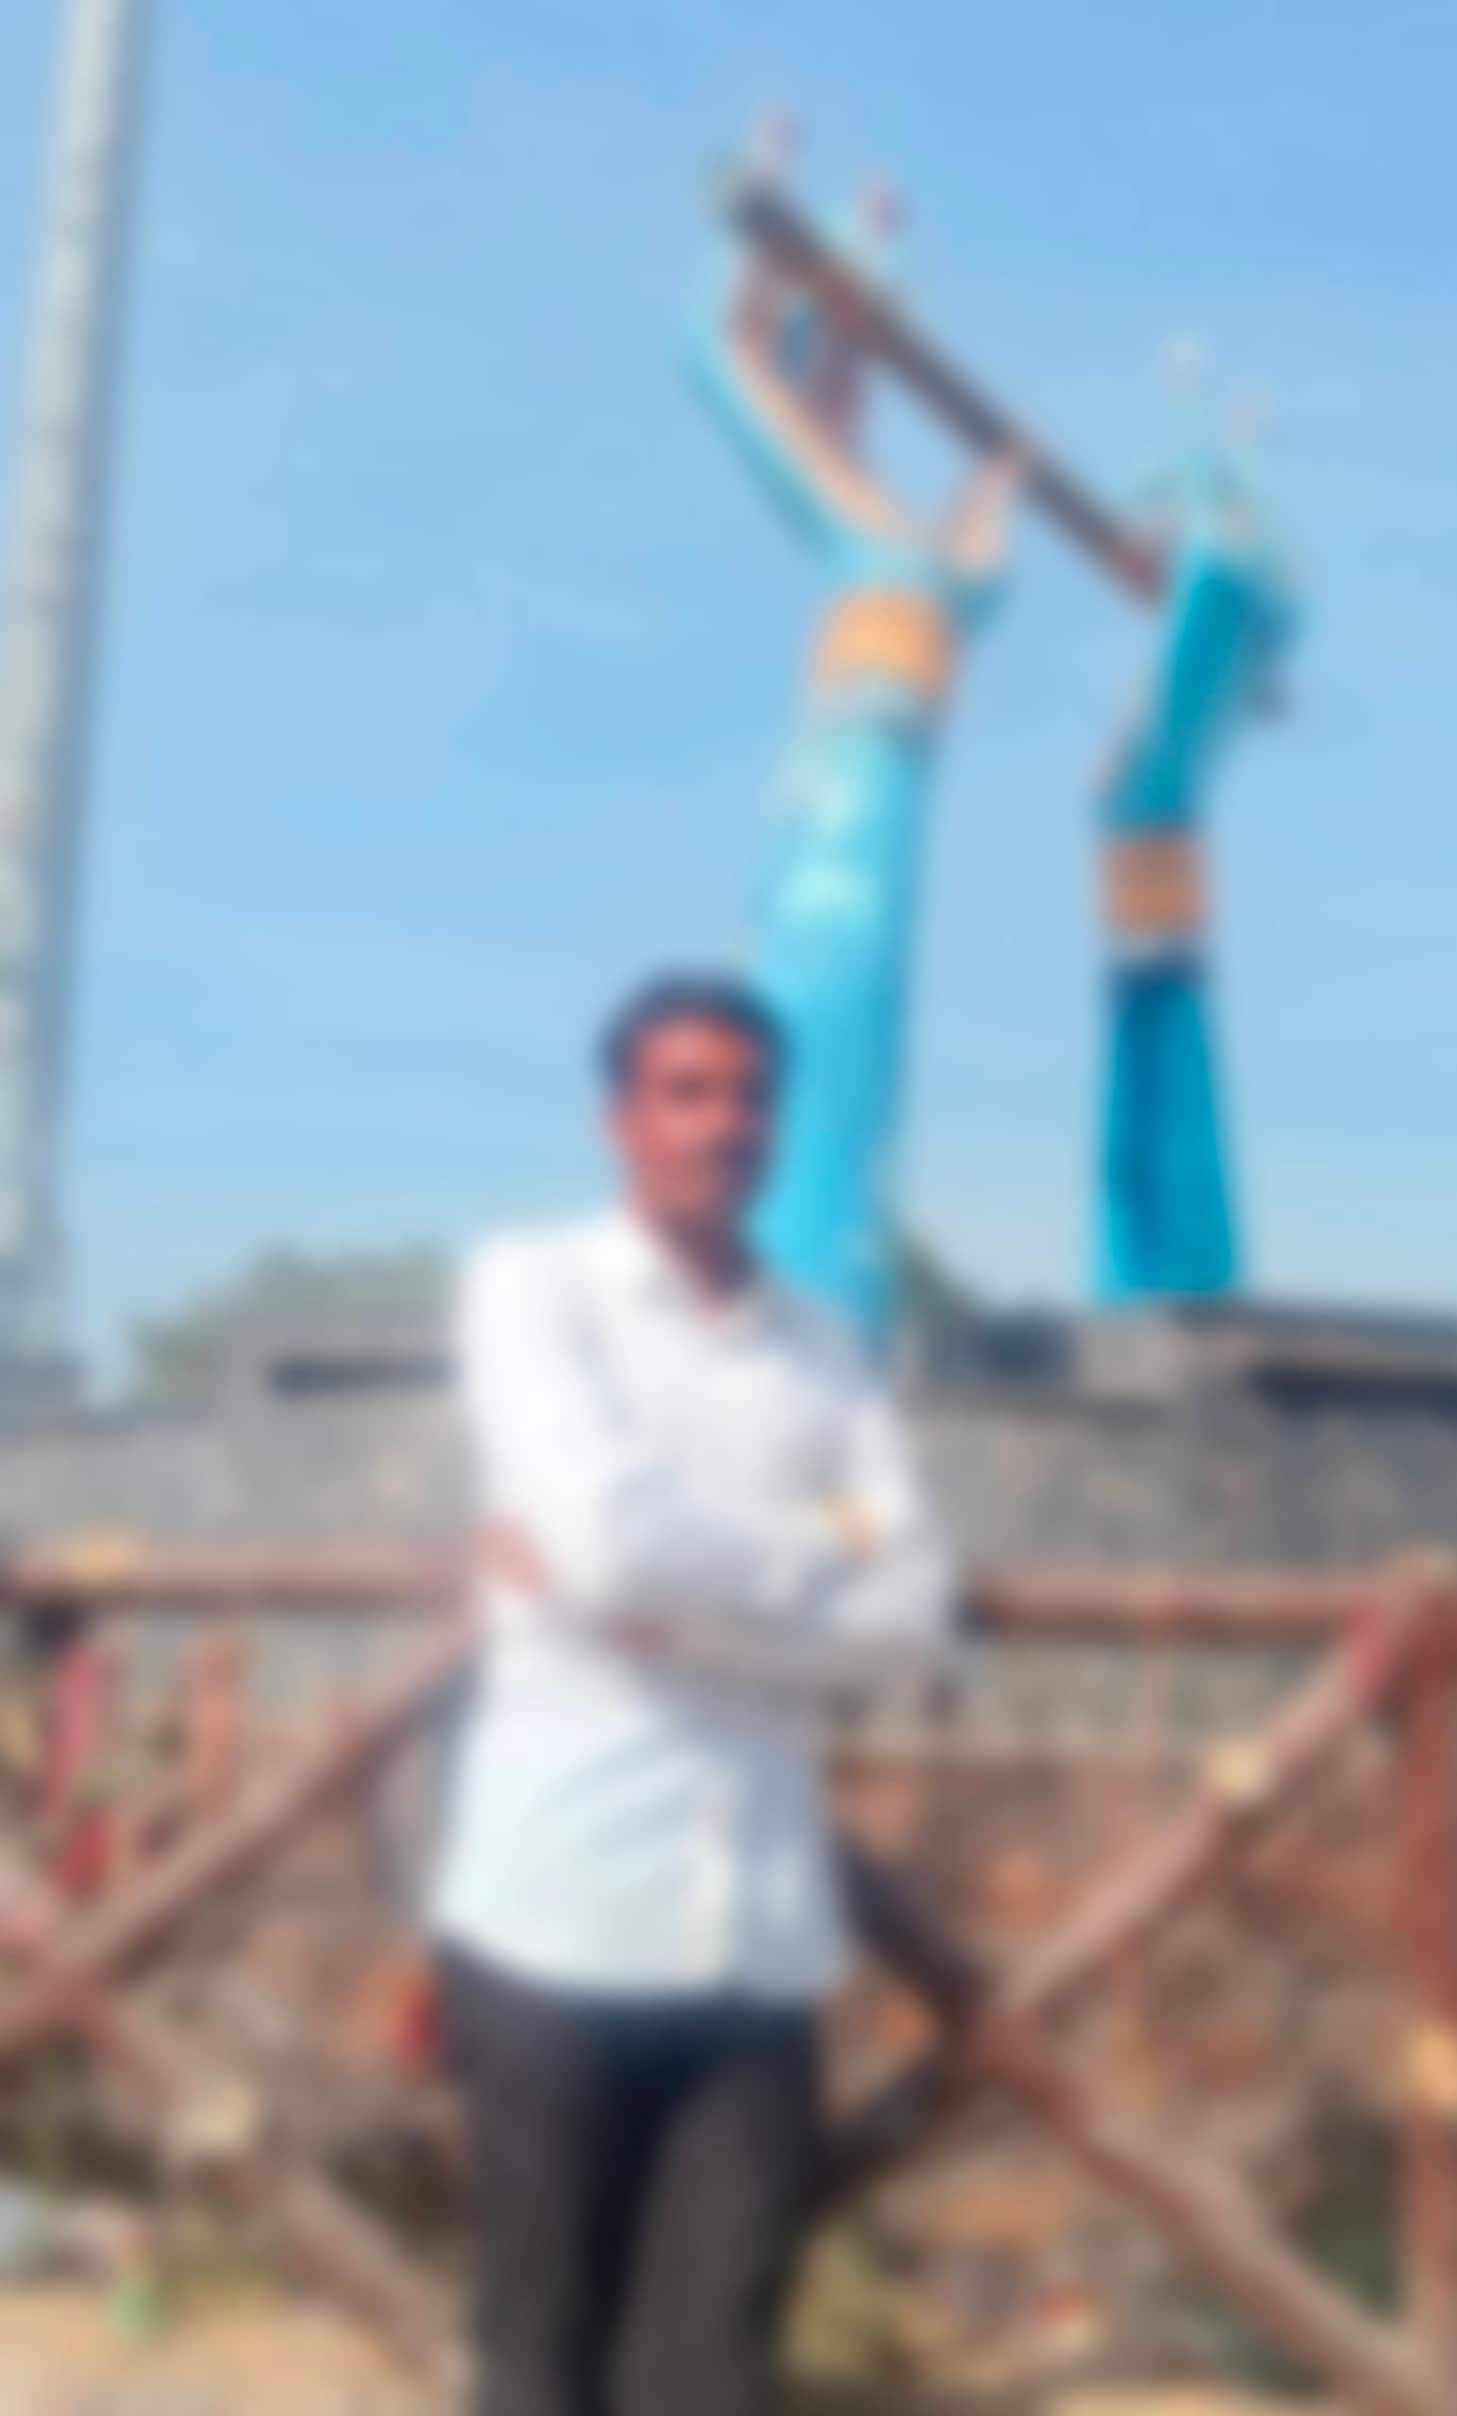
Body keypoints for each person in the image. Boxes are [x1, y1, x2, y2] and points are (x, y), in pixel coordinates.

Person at [431, 971, 952, 2416]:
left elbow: (913, 1613)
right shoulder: (533, 1288)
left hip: (758, 1939)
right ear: (621, 1120)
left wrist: (670, 1625)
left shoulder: (823, 1347)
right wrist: (811, 1568)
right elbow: (611, 1540)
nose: (723, 1123)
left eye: (750, 1095)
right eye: (686, 1091)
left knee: (717, 2365)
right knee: (537, 2353)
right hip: (559, 1908)